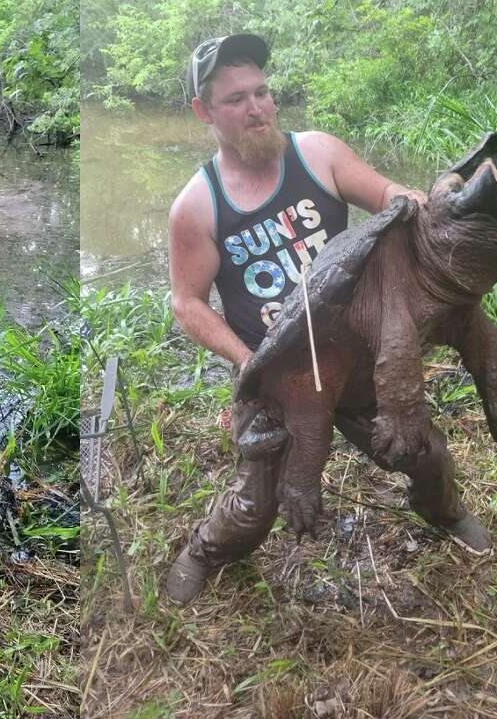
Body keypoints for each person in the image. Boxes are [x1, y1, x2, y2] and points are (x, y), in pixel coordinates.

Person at [163, 34, 429, 605]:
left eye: (262, 92)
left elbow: (388, 194)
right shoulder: (197, 204)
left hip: (355, 357)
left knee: (423, 453)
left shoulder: (319, 155)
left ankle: (448, 513)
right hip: (277, 376)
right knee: (255, 509)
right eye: (235, 99)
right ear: (204, 111)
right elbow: (187, 302)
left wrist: (424, 201)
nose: (256, 107)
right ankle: (204, 551)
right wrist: (247, 363)